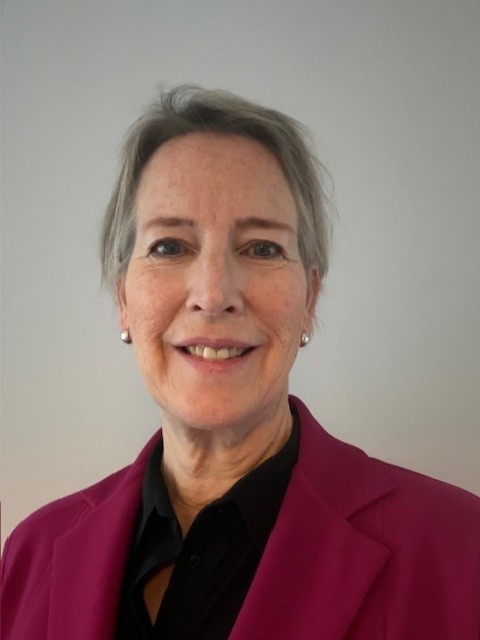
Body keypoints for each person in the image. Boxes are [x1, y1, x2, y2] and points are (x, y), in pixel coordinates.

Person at [1, 86, 479, 640]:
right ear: (123, 298)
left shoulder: (458, 549)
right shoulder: (30, 555)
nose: (214, 294)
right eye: (169, 246)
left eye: (262, 248)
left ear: (310, 297)